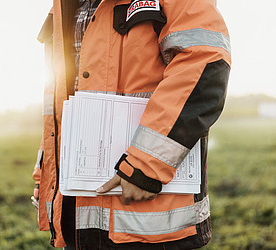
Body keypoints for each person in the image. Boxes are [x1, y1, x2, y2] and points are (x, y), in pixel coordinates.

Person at [31, 0, 231, 249]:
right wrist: (47, 175)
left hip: (148, 220)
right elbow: (61, 98)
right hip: (77, 215)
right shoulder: (63, 4)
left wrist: (145, 167)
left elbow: (204, 66)